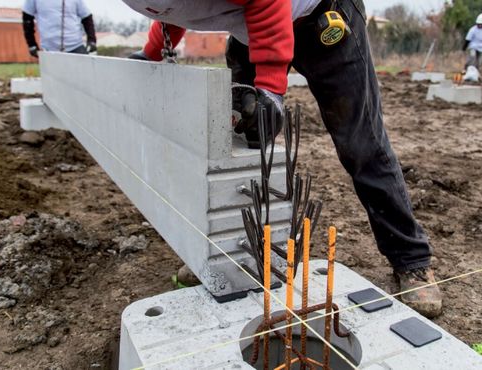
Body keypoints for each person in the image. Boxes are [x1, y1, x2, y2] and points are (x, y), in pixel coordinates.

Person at [125, 0, 442, 318]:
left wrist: (270, 89)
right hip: (253, 30)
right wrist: (152, 52)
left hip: (321, 20)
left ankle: (412, 260)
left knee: (361, 145)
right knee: (240, 142)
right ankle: (228, 257)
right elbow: (174, 7)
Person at [22, 0, 97, 58]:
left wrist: (92, 40)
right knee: (53, 78)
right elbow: (27, 19)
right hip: (49, 50)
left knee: (83, 77)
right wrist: (31, 44)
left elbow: (86, 17)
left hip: (75, 47)